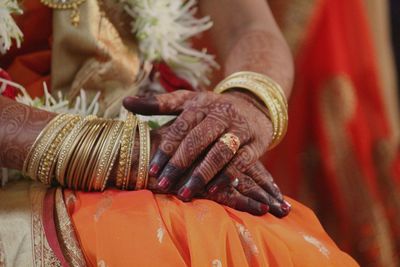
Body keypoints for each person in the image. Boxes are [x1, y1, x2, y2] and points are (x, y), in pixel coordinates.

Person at [0, 0, 358, 266]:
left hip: (155, 143)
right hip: (17, 168)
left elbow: (247, 24)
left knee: (275, 243)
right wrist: (128, 154)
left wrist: (248, 102)